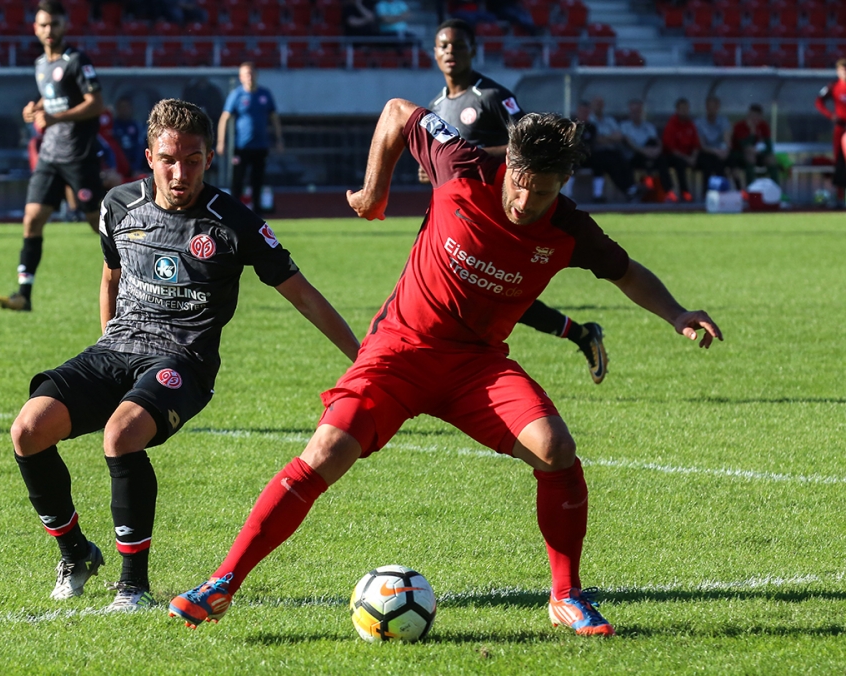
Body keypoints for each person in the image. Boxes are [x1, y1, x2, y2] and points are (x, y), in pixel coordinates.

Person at [169, 99, 722, 636]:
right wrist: (374, 191)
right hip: (399, 351)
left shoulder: (569, 228)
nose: (526, 201)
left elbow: (627, 272)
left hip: (476, 368)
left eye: (543, 191)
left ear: (563, 184)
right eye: (520, 183)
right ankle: (222, 583)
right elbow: (395, 112)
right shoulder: (460, 163)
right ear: (509, 163)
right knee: (326, 450)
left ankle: (566, 596)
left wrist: (676, 313)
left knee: (556, 449)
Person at [9, 98, 359, 613]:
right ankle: (76, 554)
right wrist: (108, 343)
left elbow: (302, 294)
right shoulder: (118, 205)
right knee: (28, 430)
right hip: (118, 347)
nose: (180, 173)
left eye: (193, 160)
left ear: (209, 159)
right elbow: (111, 277)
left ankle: (133, 587)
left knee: (121, 435)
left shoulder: (233, 222)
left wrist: (364, 358)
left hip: (183, 360)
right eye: (169, 160)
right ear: (149, 157)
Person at [426, 19, 609, 384]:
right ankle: (580, 335)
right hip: (460, 215)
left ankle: (457, 371)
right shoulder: (436, 105)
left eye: (458, 45)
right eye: (444, 45)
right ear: (434, 52)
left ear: (473, 50)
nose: (450, 52)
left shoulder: (492, 96)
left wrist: (474, 155)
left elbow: (529, 145)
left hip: (505, 211)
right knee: (479, 290)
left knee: (495, 290)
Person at [0, 0, 105, 312]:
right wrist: (36, 107)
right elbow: (53, 93)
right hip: (50, 155)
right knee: (32, 218)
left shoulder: (77, 61)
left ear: (65, 25)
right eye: (43, 24)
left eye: (54, 23)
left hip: (78, 154)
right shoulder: (41, 64)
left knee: (98, 222)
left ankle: (138, 277)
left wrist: (55, 118)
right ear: (35, 29)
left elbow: (96, 103)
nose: (48, 30)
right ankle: (23, 294)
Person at [217, 62, 283, 215]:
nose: (249, 77)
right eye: (246, 74)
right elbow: (224, 118)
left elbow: (274, 118)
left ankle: (257, 212)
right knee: (237, 180)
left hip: (261, 145)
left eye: (251, 73)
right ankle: (234, 212)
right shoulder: (237, 95)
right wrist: (221, 141)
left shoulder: (264, 94)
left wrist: (279, 139)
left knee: (257, 180)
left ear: (256, 75)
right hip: (241, 146)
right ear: (241, 77)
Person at [661, 97, 724, 202]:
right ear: (677, 110)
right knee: (679, 163)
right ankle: (684, 193)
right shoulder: (672, 124)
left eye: (686, 109)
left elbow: (696, 145)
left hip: (690, 155)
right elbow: (670, 148)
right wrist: (687, 158)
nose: (684, 111)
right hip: (676, 156)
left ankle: (707, 193)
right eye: (682, 109)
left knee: (708, 161)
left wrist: (693, 157)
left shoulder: (690, 124)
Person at [587, 95, 641, 203]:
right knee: (610, 164)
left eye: (601, 104)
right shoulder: (589, 120)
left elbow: (619, 136)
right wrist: (610, 138)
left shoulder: (610, 120)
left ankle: (631, 188)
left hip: (612, 151)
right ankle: (628, 190)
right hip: (596, 153)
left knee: (624, 160)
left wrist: (604, 138)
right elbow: (595, 139)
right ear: (592, 106)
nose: (599, 106)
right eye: (597, 104)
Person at [619, 98, 673, 200]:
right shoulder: (624, 126)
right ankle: (634, 191)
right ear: (630, 112)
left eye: (638, 111)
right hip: (634, 156)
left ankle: (668, 191)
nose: (636, 114)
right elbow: (629, 143)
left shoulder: (648, 126)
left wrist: (658, 150)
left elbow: (656, 141)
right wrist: (644, 151)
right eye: (634, 111)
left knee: (662, 159)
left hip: (650, 154)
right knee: (627, 161)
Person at [814, 59, 846, 206]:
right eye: (842, 70)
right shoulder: (833, 87)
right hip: (840, 128)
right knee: (839, 162)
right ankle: (840, 197)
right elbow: (819, 102)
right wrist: (830, 115)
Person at [730, 103, 779, 188]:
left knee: (771, 159)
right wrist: (752, 133)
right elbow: (744, 145)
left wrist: (760, 151)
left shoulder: (763, 126)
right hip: (739, 155)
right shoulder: (739, 126)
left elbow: (769, 146)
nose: (754, 119)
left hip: (758, 154)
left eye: (757, 117)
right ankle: (751, 188)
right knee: (750, 156)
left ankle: (776, 188)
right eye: (752, 116)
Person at [694, 95, 732, 187]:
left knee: (723, 162)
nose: (711, 109)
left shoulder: (723, 121)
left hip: (720, 152)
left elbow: (727, 139)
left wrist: (726, 151)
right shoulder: (699, 122)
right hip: (706, 152)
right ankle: (706, 191)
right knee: (708, 163)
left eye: (714, 107)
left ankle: (724, 189)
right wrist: (715, 151)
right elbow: (702, 145)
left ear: (718, 107)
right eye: (709, 107)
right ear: (706, 107)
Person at [111, 96, 146, 176]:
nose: (124, 110)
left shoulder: (137, 126)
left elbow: (140, 148)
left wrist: (136, 168)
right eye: (121, 107)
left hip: (134, 167)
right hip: (118, 166)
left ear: (131, 108)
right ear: (117, 109)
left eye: (126, 107)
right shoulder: (112, 126)